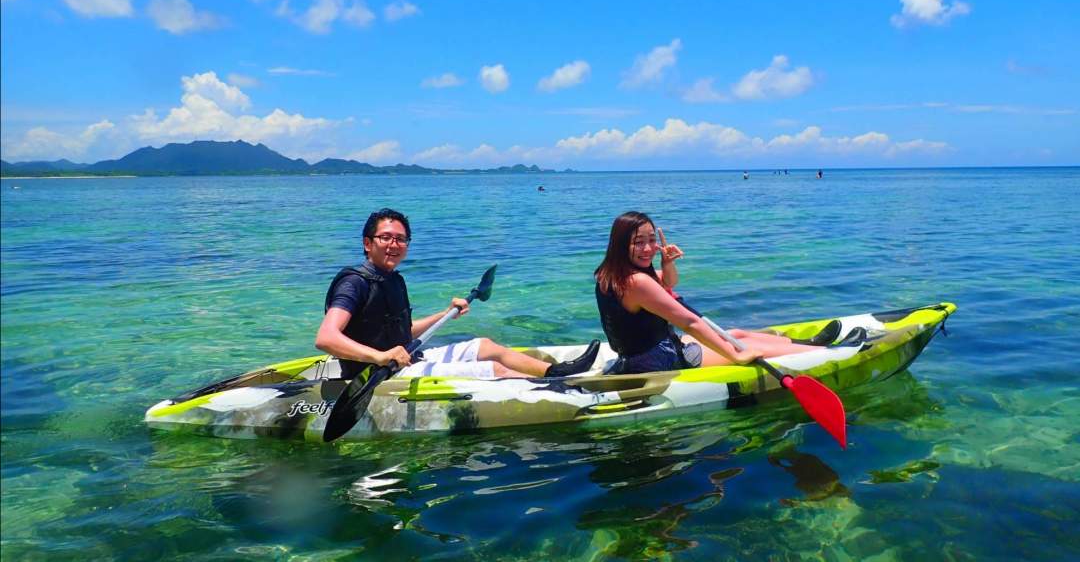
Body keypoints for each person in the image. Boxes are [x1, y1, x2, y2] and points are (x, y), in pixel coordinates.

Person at [316, 208, 599, 380]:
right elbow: (326, 338)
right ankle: (556, 390)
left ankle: (556, 373)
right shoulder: (355, 283)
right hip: (375, 373)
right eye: (386, 238)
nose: (394, 245)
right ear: (368, 243)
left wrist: (445, 314)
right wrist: (379, 357)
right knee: (492, 369)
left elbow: (401, 333)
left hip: (407, 359)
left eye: (401, 239)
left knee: (486, 346)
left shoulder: (393, 279)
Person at [594, 211, 839, 374]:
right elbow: (690, 322)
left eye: (651, 240)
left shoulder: (611, 273)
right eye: (638, 242)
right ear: (620, 243)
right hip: (658, 360)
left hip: (643, 352)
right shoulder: (637, 281)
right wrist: (735, 355)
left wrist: (667, 263)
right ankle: (824, 355)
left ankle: (807, 342)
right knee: (744, 347)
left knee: (738, 333)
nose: (648, 248)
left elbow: (668, 284)